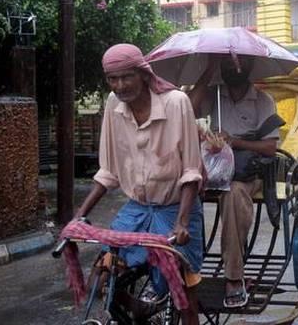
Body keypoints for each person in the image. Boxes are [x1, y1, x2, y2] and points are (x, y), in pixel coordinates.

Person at [73, 44, 203, 325]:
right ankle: (138, 307)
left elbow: (192, 170)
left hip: (176, 208)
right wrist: (78, 216)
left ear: (143, 74)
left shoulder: (176, 102)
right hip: (138, 209)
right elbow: (107, 171)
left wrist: (181, 222)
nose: (120, 86)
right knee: (102, 274)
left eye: (126, 77)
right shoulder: (112, 104)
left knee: (183, 296)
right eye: (113, 79)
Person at [188, 55, 280, 309]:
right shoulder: (214, 94)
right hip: (213, 170)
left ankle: (233, 277)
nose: (234, 68)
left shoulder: (263, 100)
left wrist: (235, 141)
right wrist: (208, 71)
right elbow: (186, 109)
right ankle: (180, 269)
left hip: (247, 173)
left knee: (233, 195)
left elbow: (270, 147)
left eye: (239, 63)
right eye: (227, 64)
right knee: (177, 189)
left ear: (250, 66)